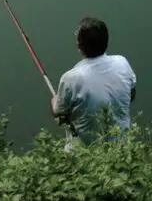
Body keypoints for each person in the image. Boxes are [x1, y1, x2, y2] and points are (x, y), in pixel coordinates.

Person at [50, 17, 137, 147]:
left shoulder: (71, 78)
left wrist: (54, 100)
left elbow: (59, 113)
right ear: (107, 42)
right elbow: (132, 94)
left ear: (79, 45)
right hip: (122, 149)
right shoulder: (122, 63)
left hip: (86, 155)